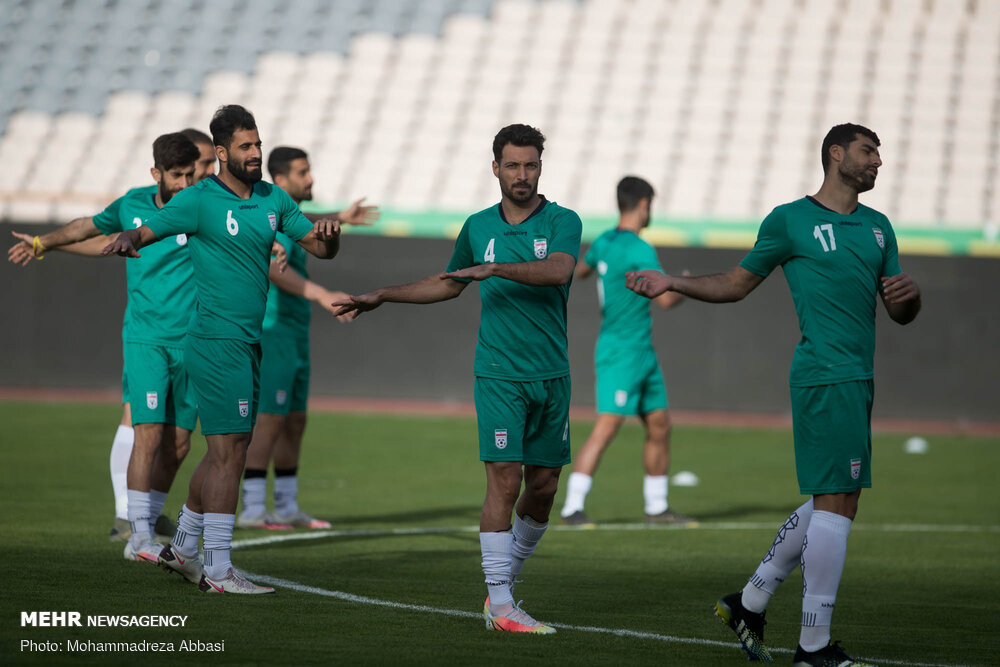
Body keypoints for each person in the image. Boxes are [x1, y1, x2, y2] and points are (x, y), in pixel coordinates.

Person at [626, 123, 920, 666]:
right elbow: (737, 283)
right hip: (823, 375)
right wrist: (674, 282)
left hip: (858, 377)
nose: (878, 161)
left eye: (879, 153)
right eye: (868, 151)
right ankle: (811, 647)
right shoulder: (790, 220)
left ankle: (750, 601)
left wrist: (910, 297)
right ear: (836, 154)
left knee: (839, 497)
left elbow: (900, 311)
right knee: (837, 500)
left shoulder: (879, 228)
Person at [334, 124, 581, 634]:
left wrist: (495, 269)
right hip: (499, 374)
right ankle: (502, 604)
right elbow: (448, 284)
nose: (521, 174)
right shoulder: (477, 227)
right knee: (505, 480)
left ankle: (502, 585)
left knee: (543, 487)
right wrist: (383, 295)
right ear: (495, 168)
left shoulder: (563, 220)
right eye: (512, 165)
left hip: (552, 375)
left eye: (530, 165)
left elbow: (559, 270)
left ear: (540, 167)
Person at [104, 104, 340, 594]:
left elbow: (318, 247)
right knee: (230, 455)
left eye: (258, 144)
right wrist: (128, 237)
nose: (255, 153)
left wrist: (330, 237)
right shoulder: (198, 198)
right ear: (222, 151)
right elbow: (148, 230)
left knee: (224, 451)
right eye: (245, 146)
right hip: (215, 343)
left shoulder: (273, 198)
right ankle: (217, 569)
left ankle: (182, 548)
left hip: (247, 344)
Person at [8, 133, 203, 563]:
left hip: (192, 342)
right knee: (147, 433)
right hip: (147, 338)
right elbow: (88, 228)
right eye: (177, 175)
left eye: (191, 174)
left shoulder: (199, 205)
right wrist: (43, 242)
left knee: (180, 444)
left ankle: (149, 519)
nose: (186, 183)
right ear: (156, 173)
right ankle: (136, 533)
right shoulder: (131, 204)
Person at [238, 145, 378, 530]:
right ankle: (252, 508)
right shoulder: (263, 213)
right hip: (273, 332)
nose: (310, 178)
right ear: (280, 180)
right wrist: (320, 293)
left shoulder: (287, 215)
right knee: (269, 419)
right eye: (302, 172)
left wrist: (340, 218)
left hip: (295, 334)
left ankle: (286, 506)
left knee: (295, 420)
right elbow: (271, 267)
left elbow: (305, 222)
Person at [559, 176, 692, 526]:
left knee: (660, 424)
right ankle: (572, 506)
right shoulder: (640, 249)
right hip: (622, 351)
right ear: (644, 205)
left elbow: (581, 271)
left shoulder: (604, 241)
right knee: (607, 426)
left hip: (640, 351)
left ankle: (656, 507)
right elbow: (666, 300)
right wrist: (682, 283)